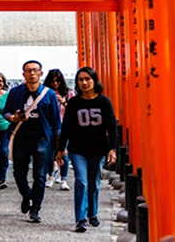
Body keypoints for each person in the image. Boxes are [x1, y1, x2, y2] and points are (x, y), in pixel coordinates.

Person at [55, 66, 118, 233]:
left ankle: (93, 213)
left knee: (94, 183)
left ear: (94, 80)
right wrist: (61, 149)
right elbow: (66, 127)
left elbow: (112, 127)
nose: (84, 82)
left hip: (98, 149)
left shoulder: (104, 102)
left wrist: (113, 149)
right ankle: (80, 219)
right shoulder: (74, 103)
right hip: (78, 149)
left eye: (87, 79)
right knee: (81, 181)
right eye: (81, 79)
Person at [3, 60, 61, 223]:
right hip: (21, 136)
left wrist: (60, 145)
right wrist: (12, 117)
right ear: (23, 74)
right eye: (28, 70)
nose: (32, 73)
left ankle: (35, 208)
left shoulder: (48, 94)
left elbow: (56, 121)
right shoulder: (15, 92)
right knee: (19, 173)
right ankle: (27, 194)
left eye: (35, 70)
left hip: (42, 138)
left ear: (41, 73)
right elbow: (6, 112)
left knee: (40, 175)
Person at [43, 68, 75, 191]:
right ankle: (50, 175)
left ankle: (63, 178)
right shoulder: (45, 93)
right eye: (52, 81)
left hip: (64, 126)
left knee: (63, 152)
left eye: (57, 81)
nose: (55, 84)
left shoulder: (68, 93)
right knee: (49, 153)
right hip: (49, 126)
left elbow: (73, 111)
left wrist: (63, 102)